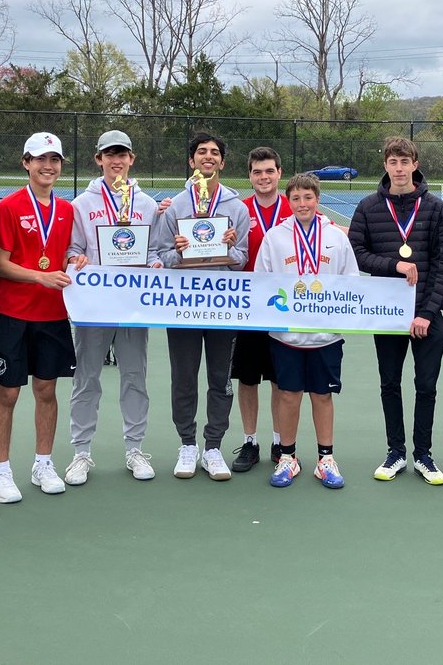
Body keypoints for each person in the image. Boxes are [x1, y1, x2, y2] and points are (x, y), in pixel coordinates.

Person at [348, 136, 443, 485]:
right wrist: (393, 265)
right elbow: (357, 251)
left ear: (415, 165)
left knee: (426, 386)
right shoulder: (367, 206)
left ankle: (423, 454)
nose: (399, 168)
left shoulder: (436, 208)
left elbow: (442, 263)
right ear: (386, 165)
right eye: (393, 162)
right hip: (387, 314)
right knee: (390, 384)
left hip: (427, 314)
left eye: (405, 162)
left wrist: (426, 312)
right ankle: (395, 452)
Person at [0, 132, 83, 503]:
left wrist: (73, 262)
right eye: (41, 159)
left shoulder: (67, 210)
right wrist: (40, 276)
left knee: (47, 390)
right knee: (8, 392)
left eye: (55, 160)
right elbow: (0, 263)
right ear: (26, 162)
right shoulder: (8, 208)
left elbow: (59, 258)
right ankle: (1, 471)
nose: (48, 166)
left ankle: (43, 464)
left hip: (52, 315)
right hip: (11, 314)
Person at [65, 129, 163, 484]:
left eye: (122, 154)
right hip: (94, 307)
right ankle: (81, 452)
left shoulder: (148, 205)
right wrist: (76, 259)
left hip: (132, 306)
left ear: (132, 159)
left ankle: (135, 448)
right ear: (99, 159)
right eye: (110, 154)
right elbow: (71, 250)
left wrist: (154, 264)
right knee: (87, 378)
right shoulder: (82, 204)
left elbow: (154, 251)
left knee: (134, 377)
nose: (116, 160)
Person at [151, 132, 251, 481]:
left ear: (222, 162)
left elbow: (241, 260)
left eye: (214, 153)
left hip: (222, 305)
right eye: (201, 152)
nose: (208, 157)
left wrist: (232, 247)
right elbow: (161, 255)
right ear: (192, 160)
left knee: (220, 379)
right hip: (184, 305)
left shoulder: (238, 208)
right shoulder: (176, 205)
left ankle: (213, 447)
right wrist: (177, 253)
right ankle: (187, 444)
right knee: (184, 377)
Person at [255, 173, 359, 489]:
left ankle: (325, 459)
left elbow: (351, 279)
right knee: (287, 394)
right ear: (289, 201)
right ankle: (288, 457)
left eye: (308, 197)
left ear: (318, 199)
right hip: (286, 334)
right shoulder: (275, 237)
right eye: (296, 198)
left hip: (326, 335)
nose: (302, 203)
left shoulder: (336, 237)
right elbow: (262, 280)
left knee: (322, 394)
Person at [230, 146, 292, 473]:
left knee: (280, 378)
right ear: (250, 176)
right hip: (248, 306)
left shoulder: (295, 207)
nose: (264, 177)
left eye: (269, 171)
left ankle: (281, 441)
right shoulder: (240, 210)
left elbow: (328, 233)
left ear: (279, 173)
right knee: (248, 377)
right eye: (257, 172)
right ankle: (250, 441)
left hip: (285, 306)